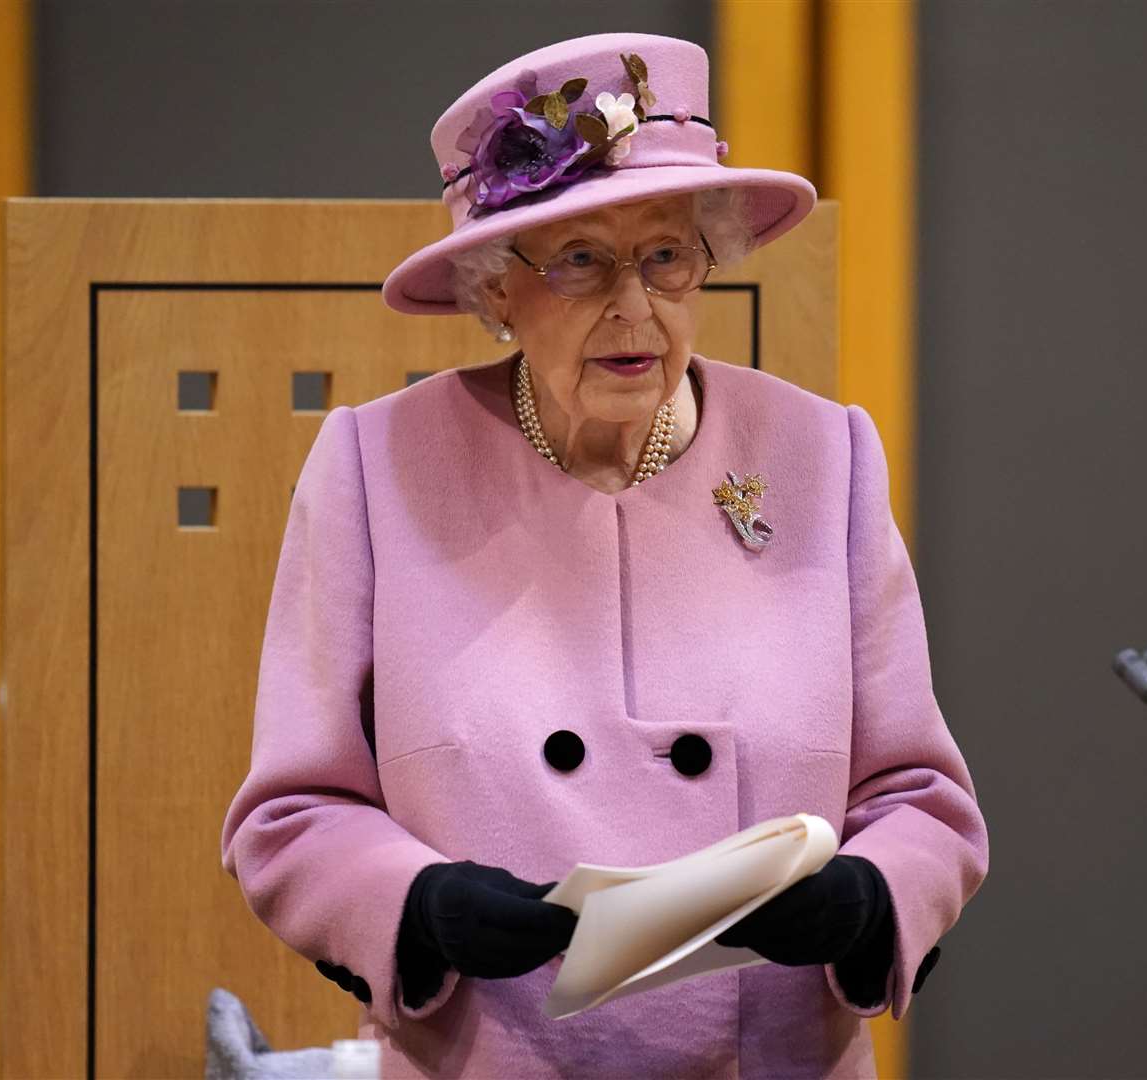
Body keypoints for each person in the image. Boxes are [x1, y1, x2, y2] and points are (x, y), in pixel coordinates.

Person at [219, 31, 988, 1079]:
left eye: (666, 255)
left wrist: (873, 896)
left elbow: (922, 801)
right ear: (495, 290)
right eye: (581, 260)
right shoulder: (376, 466)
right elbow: (292, 814)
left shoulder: (823, 456)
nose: (634, 306)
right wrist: (416, 905)